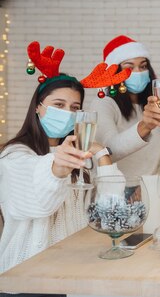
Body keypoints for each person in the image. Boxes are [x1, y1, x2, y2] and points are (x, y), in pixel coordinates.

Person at [0, 71, 122, 276]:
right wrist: (57, 168)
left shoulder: (78, 157)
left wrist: (101, 152)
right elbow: (41, 201)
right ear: (38, 107)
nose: (67, 112)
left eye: (75, 108)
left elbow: (112, 206)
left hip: (74, 270)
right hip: (26, 276)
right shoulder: (14, 156)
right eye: (58, 105)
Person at [89, 35, 160, 177]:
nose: (138, 72)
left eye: (143, 66)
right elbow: (108, 150)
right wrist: (145, 126)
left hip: (152, 188)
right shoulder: (103, 104)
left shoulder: (152, 105)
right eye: (129, 68)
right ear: (115, 73)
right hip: (119, 190)